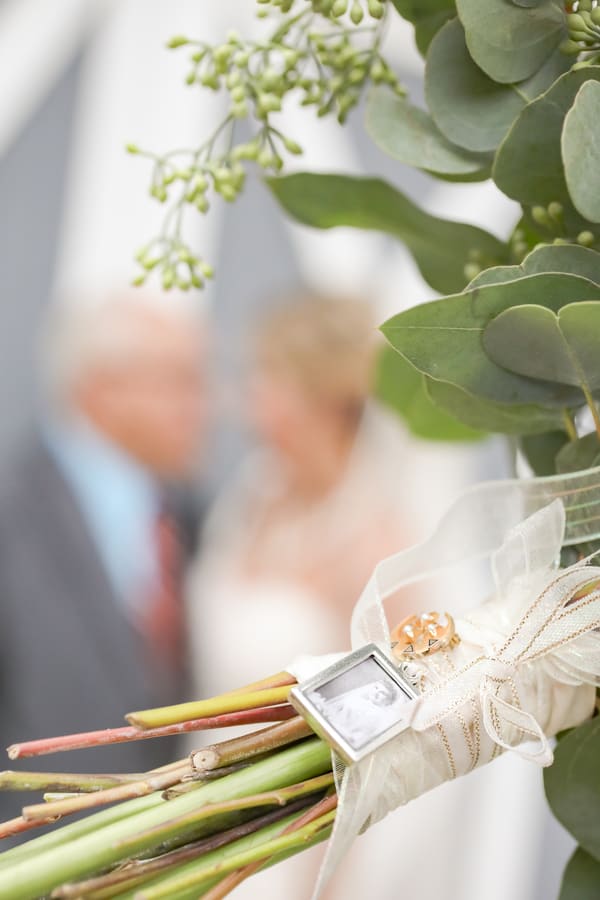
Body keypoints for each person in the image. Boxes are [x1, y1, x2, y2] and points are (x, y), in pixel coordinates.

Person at [186, 292, 413, 899]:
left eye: (265, 378)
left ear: (322, 398)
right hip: (193, 800)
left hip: (286, 835)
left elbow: (389, 745)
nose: (245, 401)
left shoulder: (375, 542)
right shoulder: (250, 499)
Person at [0, 290, 206, 827]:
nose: (202, 407)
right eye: (180, 381)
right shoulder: (12, 510)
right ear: (103, 389)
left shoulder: (190, 513)